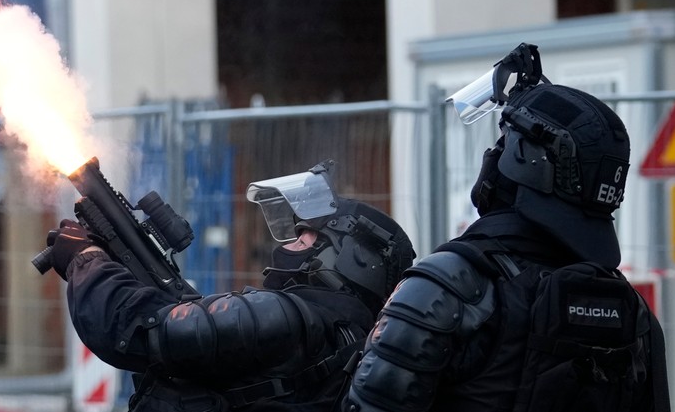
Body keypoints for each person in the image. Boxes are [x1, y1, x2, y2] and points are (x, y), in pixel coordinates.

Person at [343, 44, 670, 412]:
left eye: (504, 143)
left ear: (527, 163)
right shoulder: (631, 310)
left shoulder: (447, 286)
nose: (494, 155)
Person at [46, 160, 415, 411]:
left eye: (304, 237)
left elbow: (131, 329)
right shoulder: (349, 337)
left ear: (352, 259)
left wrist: (86, 258)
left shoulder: (284, 319)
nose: (286, 245)